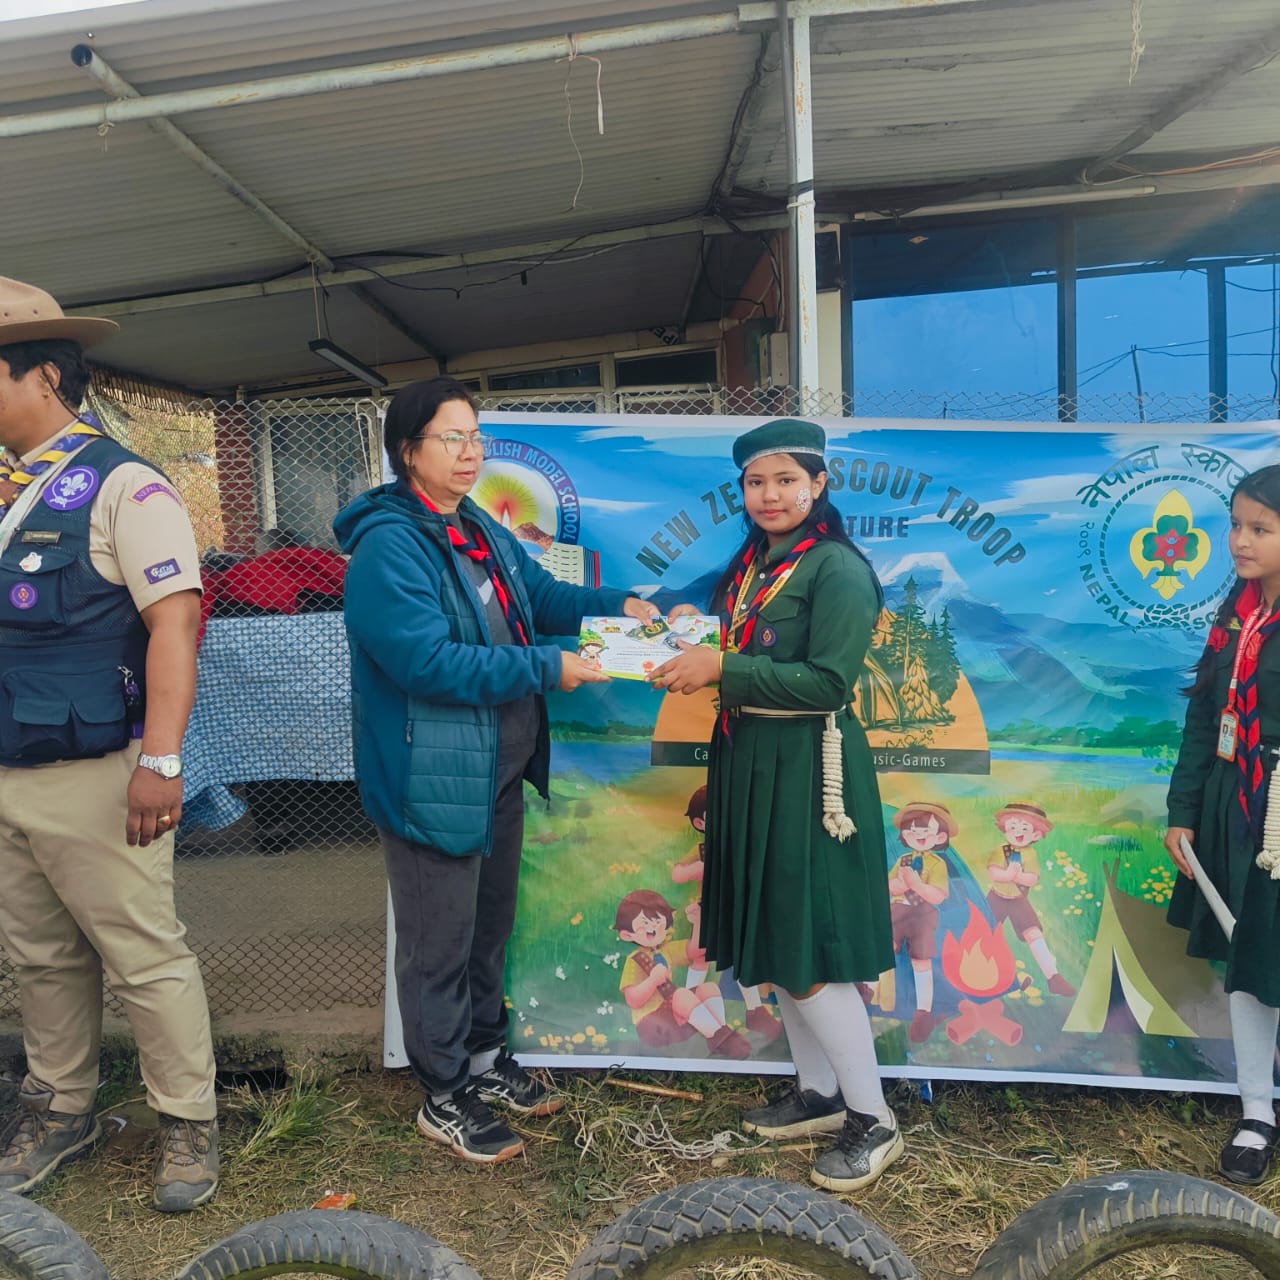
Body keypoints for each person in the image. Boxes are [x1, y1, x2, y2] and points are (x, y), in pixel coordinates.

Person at [334, 375, 677, 1165]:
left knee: (487, 929)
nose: (470, 452)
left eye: (475, 437)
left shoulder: (475, 526)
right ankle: (444, 1093)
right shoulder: (389, 548)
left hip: (496, 767)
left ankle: (484, 1057)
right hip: (432, 779)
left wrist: (620, 606)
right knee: (440, 943)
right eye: (451, 438)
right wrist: (547, 667)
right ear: (408, 451)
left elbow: (541, 596)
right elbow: (427, 663)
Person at [0, 277, 219, 1212]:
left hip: (97, 770)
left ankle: (188, 1123)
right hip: (8, 768)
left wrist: (160, 761)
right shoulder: (5, 491)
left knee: (143, 955)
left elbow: (176, 625)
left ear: (44, 375)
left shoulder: (125, 485)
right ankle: (62, 1108)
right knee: (40, 956)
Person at [652, 418, 902, 1192]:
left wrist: (720, 667)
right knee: (777, 933)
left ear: (818, 484)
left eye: (787, 480)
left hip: (807, 767)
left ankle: (874, 1120)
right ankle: (819, 1094)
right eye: (756, 482)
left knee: (806, 943)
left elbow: (828, 682)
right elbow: (730, 643)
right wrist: (677, 636)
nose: (770, 495)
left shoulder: (837, 569)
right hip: (750, 759)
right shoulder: (751, 565)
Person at [1166, 464, 1280, 1186]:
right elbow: (1205, 716)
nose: (1240, 540)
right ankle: (1256, 1111)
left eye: (1260, 528)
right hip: (1236, 807)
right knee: (1249, 958)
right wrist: (1183, 813)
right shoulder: (1236, 613)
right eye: (1236, 524)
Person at [987, 802, 1074, 997]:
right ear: (1004, 829)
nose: (1018, 832)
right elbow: (993, 872)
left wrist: (1018, 876)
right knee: (985, 933)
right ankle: (986, 977)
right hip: (996, 898)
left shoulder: (1030, 854)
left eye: (1025, 828)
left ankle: (1053, 978)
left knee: (1033, 933)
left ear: (1036, 835)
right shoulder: (1000, 850)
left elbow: (1032, 878)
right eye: (1013, 827)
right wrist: (1007, 874)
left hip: (1018, 899)